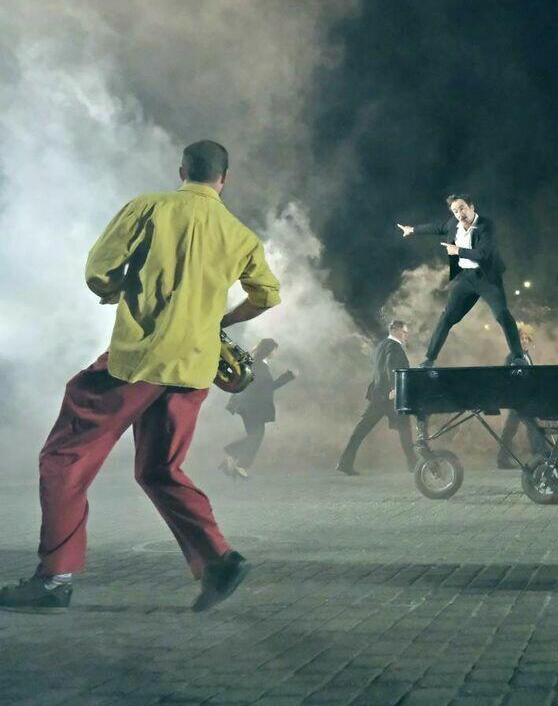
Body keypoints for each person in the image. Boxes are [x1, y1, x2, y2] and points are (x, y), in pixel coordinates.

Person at [0, 140, 281, 613]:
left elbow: (99, 271)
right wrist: (221, 320)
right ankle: (218, 561)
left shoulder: (150, 207)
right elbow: (267, 296)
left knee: (64, 458)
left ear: (182, 171)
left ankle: (54, 580)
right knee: (159, 469)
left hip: (139, 360)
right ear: (224, 180)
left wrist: (117, 290)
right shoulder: (240, 235)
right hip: (194, 368)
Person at [397, 194, 526, 367]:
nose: (460, 214)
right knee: (447, 317)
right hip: (465, 278)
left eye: (462, 208)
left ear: (471, 207)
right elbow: (438, 228)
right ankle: (429, 360)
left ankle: (518, 357)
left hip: (487, 278)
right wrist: (412, 229)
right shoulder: (454, 224)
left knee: (502, 315)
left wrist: (457, 250)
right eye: (455, 211)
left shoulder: (486, 225)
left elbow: (483, 254)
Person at [337, 320, 418, 475]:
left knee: (362, 430)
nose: (406, 335)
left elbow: (378, 369)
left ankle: (344, 463)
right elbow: (390, 367)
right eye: (404, 332)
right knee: (404, 430)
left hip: (378, 396)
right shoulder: (394, 346)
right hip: (390, 397)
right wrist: (394, 389)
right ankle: (413, 465)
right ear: (395, 330)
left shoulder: (380, 346)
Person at [220, 338, 298, 480]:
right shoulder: (258, 365)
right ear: (268, 350)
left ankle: (232, 460)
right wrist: (288, 377)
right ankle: (239, 463)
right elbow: (265, 387)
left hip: (250, 406)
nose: (275, 353)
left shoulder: (259, 364)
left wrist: (288, 377)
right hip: (250, 407)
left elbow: (266, 387)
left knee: (254, 436)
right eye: (274, 350)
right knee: (256, 436)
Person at [497, 323, 548, 468]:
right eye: (521, 338)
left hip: (522, 398)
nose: (524, 341)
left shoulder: (526, 356)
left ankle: (503, 458)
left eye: (527, 338)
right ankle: (540, 454)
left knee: (511, 428)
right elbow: (510, 378)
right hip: (518, 399)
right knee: (531, 425)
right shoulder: (513, 356)